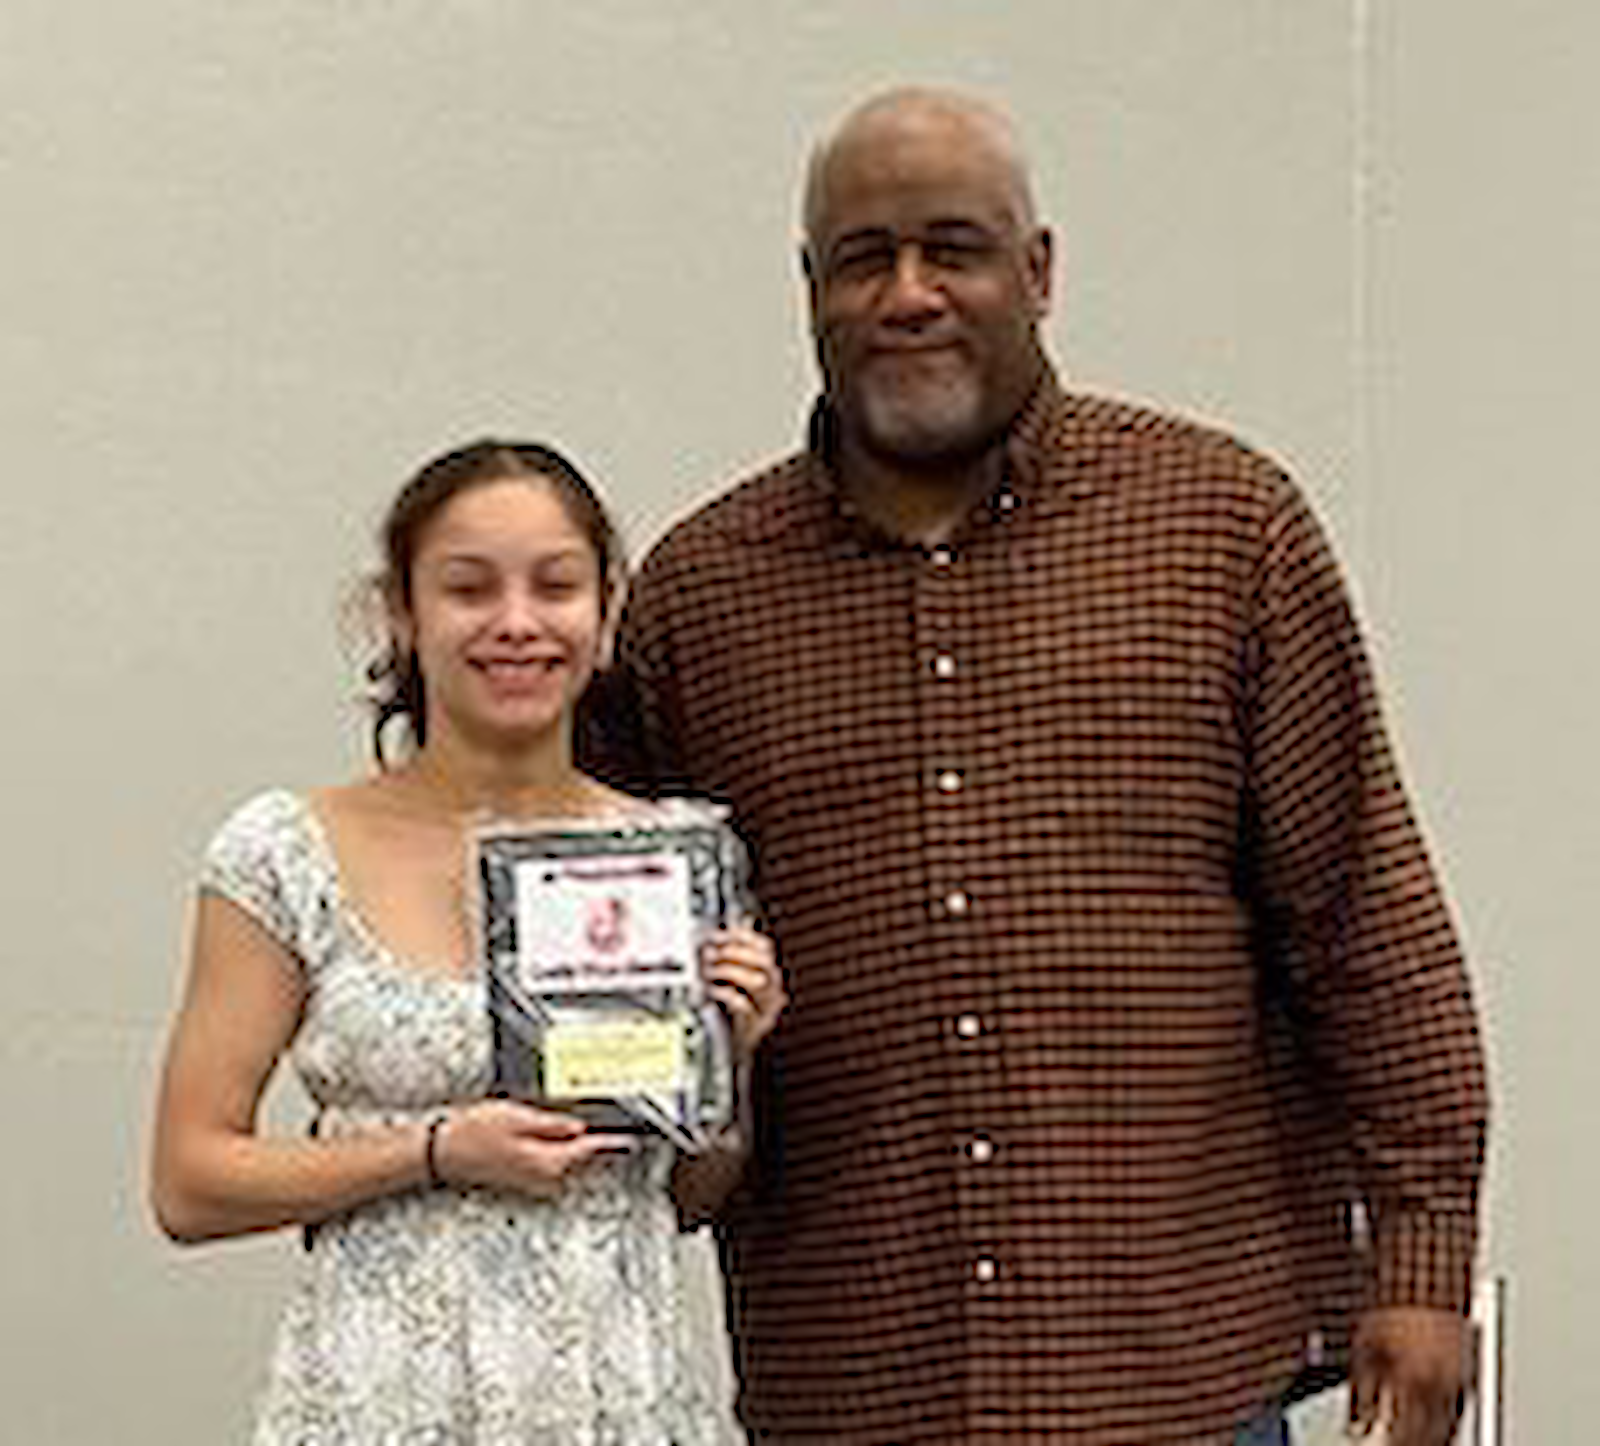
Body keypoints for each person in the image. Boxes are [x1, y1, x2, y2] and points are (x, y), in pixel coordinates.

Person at [581, 89, 1489, 1446]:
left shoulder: (1223, 529)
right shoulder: (696, 600)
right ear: (809, 286)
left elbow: (1364, 921)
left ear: (1040, 270)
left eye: (954, 248)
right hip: (854, 1378)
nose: (909, 293)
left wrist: (1423, 1262)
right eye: (863, 257)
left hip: (1179, 1370)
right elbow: (609, 973)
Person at [149, 440, 786, 1444]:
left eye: (556, 586)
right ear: (401, 615)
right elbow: (190, 1182)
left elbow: (687, 1195)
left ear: (605, 613)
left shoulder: (671, 860)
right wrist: (434, 1151)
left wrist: (731, 1057)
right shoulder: (285, 851)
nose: (517, 622)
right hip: (381, 1397)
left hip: (615, 1394)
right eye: (469, 588)